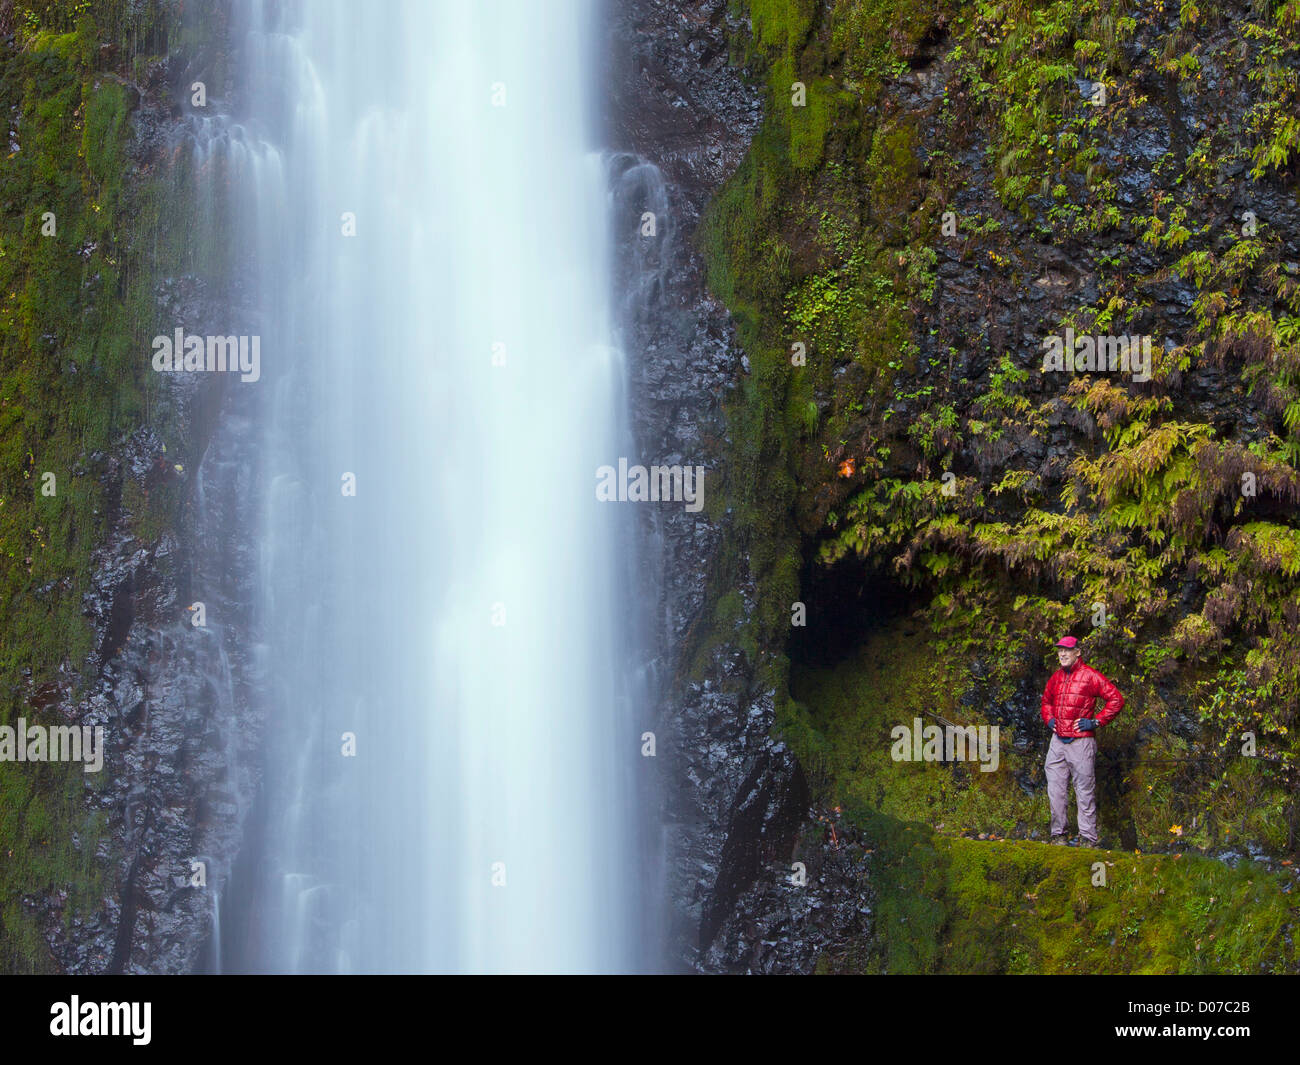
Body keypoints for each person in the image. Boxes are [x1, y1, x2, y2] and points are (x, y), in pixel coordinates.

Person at [1040, 636, 1124, 847]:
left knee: (1084, 790)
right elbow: (1046, 702)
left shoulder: (1090, 676)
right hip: (1057, 742)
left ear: (1078, 652)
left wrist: (1095, 722)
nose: (1062, 654)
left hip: (1081, 743)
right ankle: (1058, 834)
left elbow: (1116, 699)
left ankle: (1088, 838)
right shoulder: (1056, 678)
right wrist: (1049, 720)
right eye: (1060, 650)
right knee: (1056, 790)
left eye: (1067, 650)